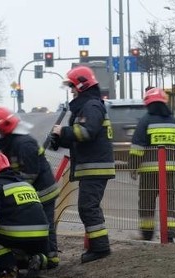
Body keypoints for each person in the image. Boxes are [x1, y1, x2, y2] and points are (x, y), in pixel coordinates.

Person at [50, 65, 115, 263]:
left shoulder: (91, 106)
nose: (71, 91)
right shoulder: (86, 106)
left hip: (95, 167)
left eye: (72, 87)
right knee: (88, 207)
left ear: (81, 86)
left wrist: (64, 132)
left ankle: (100, 248)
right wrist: (60, 139)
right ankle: (99, 247)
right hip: (91, 166)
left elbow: (86, 132)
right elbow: (78, 136)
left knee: (88, 207)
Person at [0, 106, 61, 269]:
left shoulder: (24, 143)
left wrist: (11, 192)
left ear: (4, 127)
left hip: (43, 192)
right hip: (30, 192)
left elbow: (29, 174)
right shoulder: (12, 142)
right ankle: (29, 257)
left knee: (45, 224)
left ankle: (51, 259)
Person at [127, 87, 175, 242]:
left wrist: (133, 167)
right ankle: (169, 235)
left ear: (148, 104)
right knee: (170, 202)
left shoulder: (145, 121)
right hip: (169, 172)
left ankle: (147, 235)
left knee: (147, 202)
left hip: (148, 173)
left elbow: (137, 148)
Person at [0, 151, 50, 278]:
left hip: (17, 235)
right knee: (30, 245)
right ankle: (40, 258)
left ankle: (10, 272)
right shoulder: (26, 185)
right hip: (42, 236)